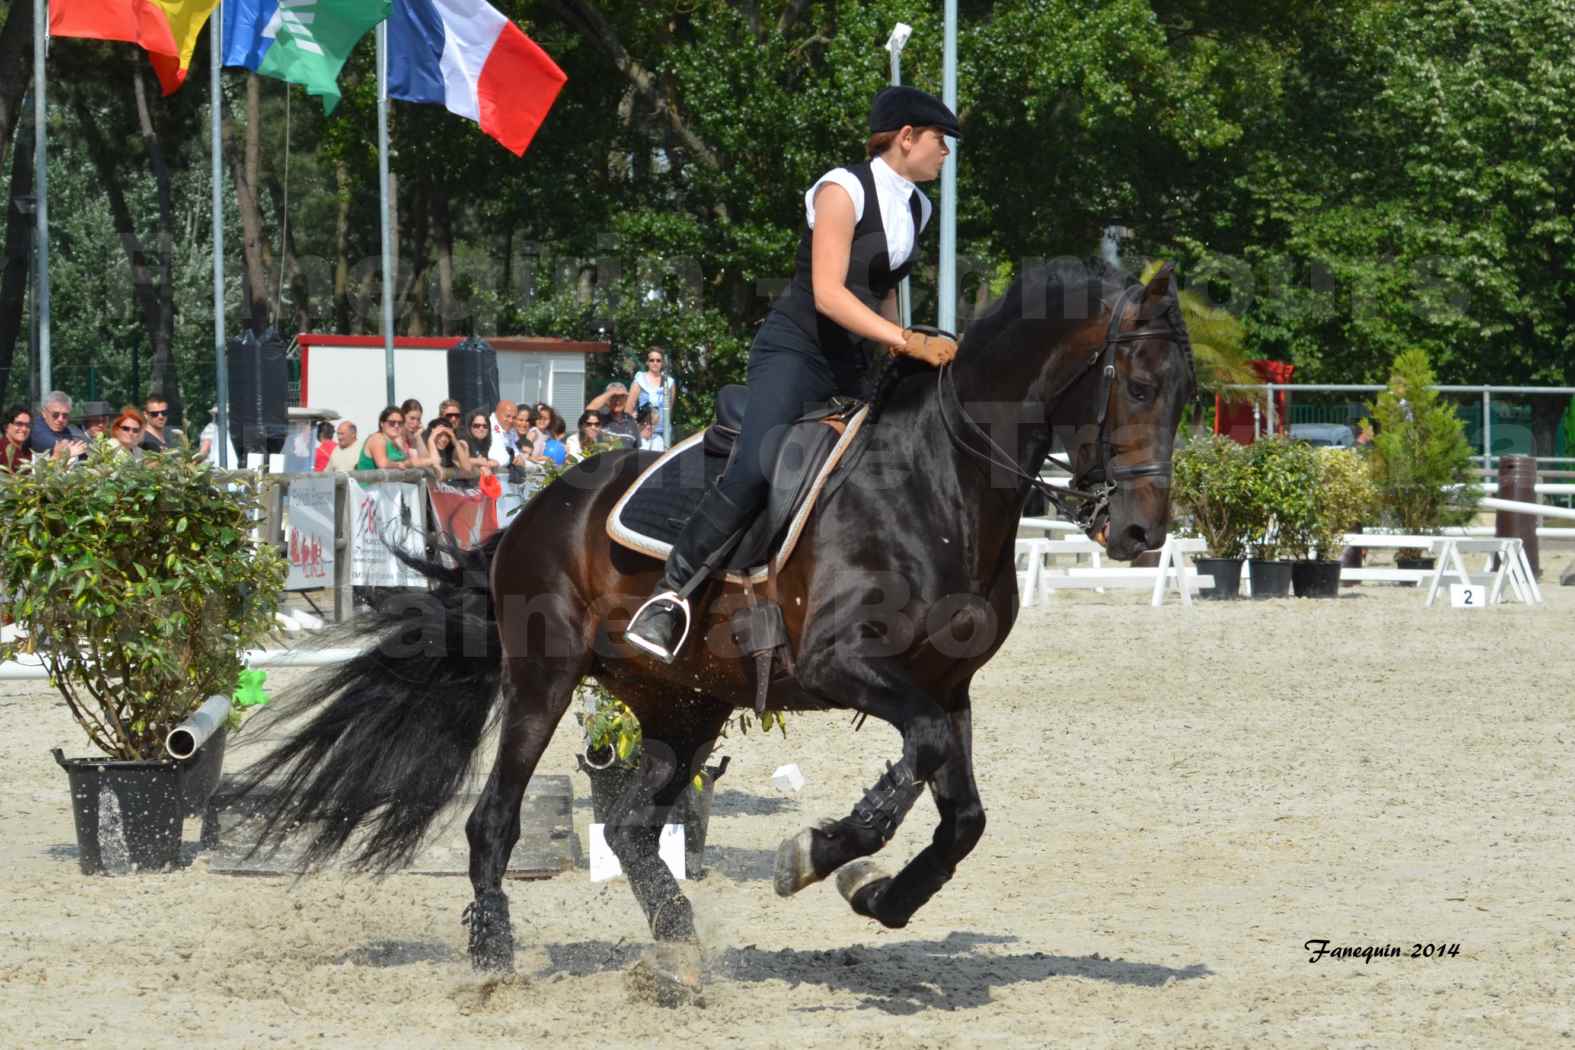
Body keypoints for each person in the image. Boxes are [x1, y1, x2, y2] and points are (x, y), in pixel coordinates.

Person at [626, 85, 961, 662]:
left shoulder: (919, 209)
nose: (945, 154)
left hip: (855, 362)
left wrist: (899, 353)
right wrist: (908, 340)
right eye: (940, 141)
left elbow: (879, 293)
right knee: (759, 466)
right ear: (906, 137)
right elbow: (830, 293)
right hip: (795, 351)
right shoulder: (842, 188)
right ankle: (669, 595)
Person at [631, 347, 677, 443]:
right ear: (647, 362)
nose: (655, 363)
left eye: (658, 360)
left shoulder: (669, 382)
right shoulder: (640, 380)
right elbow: (629, 408)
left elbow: (669, 409)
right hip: (644, 431)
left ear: (662, 363)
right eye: (652, 360)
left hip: (664, 432)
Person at [29, 391, 88, 461]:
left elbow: (82, 449)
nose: (60, 419)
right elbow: (57, 446)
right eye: (55, 415)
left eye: (65, 415)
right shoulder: (36, 428)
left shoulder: (65, 429)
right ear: (44, 413)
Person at [400, 398, 434, 467]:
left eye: (418, 419)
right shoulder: (395, 436)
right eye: (412, 418)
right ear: (402, 416)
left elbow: (426, 461)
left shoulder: (412, 438)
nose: (415, 423)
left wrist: (418, 437)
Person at [2, 405, 32, 472]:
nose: (24, 429)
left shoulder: (27, 452)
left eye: (27, 425)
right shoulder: (1, 450)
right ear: (6, 426)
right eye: (19, 424)